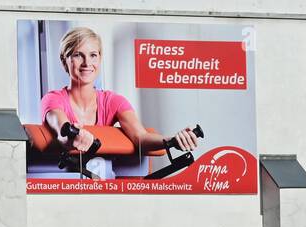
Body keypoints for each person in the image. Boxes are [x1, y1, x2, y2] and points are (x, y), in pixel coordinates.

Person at [42, 27, 199, 173]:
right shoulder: (53, 99)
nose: (87, 63)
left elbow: (141, 137)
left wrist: (173, 139)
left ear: (100, 59)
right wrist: (72, 137)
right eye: (77, 55)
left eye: (93, 55)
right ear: (64, 60)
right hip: (61, 178)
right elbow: (61, 130)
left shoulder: (114, 101)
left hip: (102, 178)